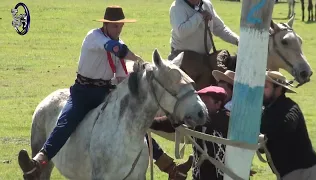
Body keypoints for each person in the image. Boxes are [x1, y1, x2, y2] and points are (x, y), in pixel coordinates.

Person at [17, 5, 143, 178]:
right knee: (65, 123)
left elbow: (122, 76)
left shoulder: (119, 44)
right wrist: (136, 58)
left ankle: (167, 164)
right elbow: (116, 49)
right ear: (105, 24)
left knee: (135, 120)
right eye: (115, 25)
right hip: (83, 93)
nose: (118, 29)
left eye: (121, 25)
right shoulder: (95, 37)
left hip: (106, 94)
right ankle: (39, 162)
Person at [151, 86, 231, 180]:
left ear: (218, 104)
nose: (202, 107)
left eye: (206, 103)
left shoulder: (227, 118)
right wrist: (148, 123)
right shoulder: (198, 118)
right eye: (201, 103)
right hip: (199, 175)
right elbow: (168, 124)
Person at [260, 70, 316, 180]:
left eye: (265, 87)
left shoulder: (291, 107)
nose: (260, 91)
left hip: (306, 172)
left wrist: (260, 128)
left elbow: (286, 125)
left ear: (278, 88)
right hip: (288, 173)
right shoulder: (267, 111)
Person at [168, 0, 239, 60]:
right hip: (182, 58)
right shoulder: (177, 7)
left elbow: (220, 28)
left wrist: (238, 41)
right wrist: (200, 16)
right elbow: (181, 32)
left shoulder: (206, 4)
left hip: (204, 58)